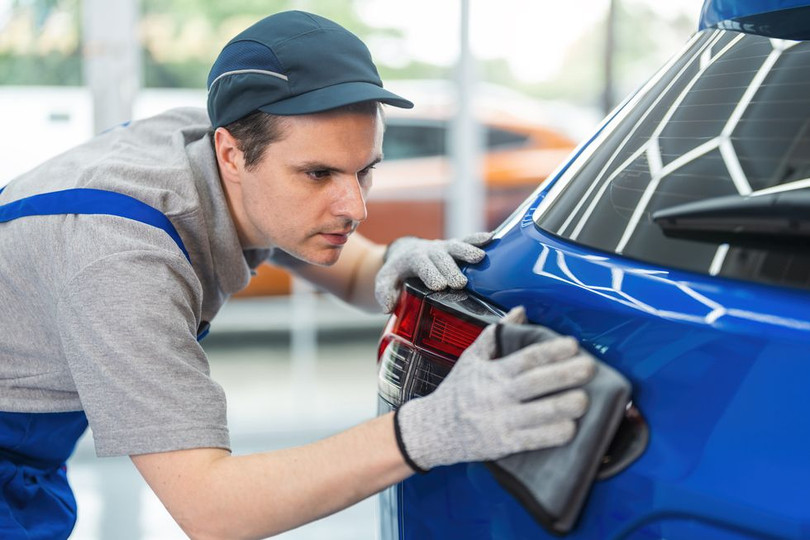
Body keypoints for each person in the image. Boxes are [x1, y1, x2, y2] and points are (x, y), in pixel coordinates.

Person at [0, 10, 595, 539]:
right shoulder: (120, 258)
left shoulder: (213, 143)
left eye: (365, 171)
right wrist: (432, 429)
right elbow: (213, 511)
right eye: (318, 174)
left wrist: (391, 262)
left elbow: (357, 269)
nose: (355, 207)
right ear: (232, 154)